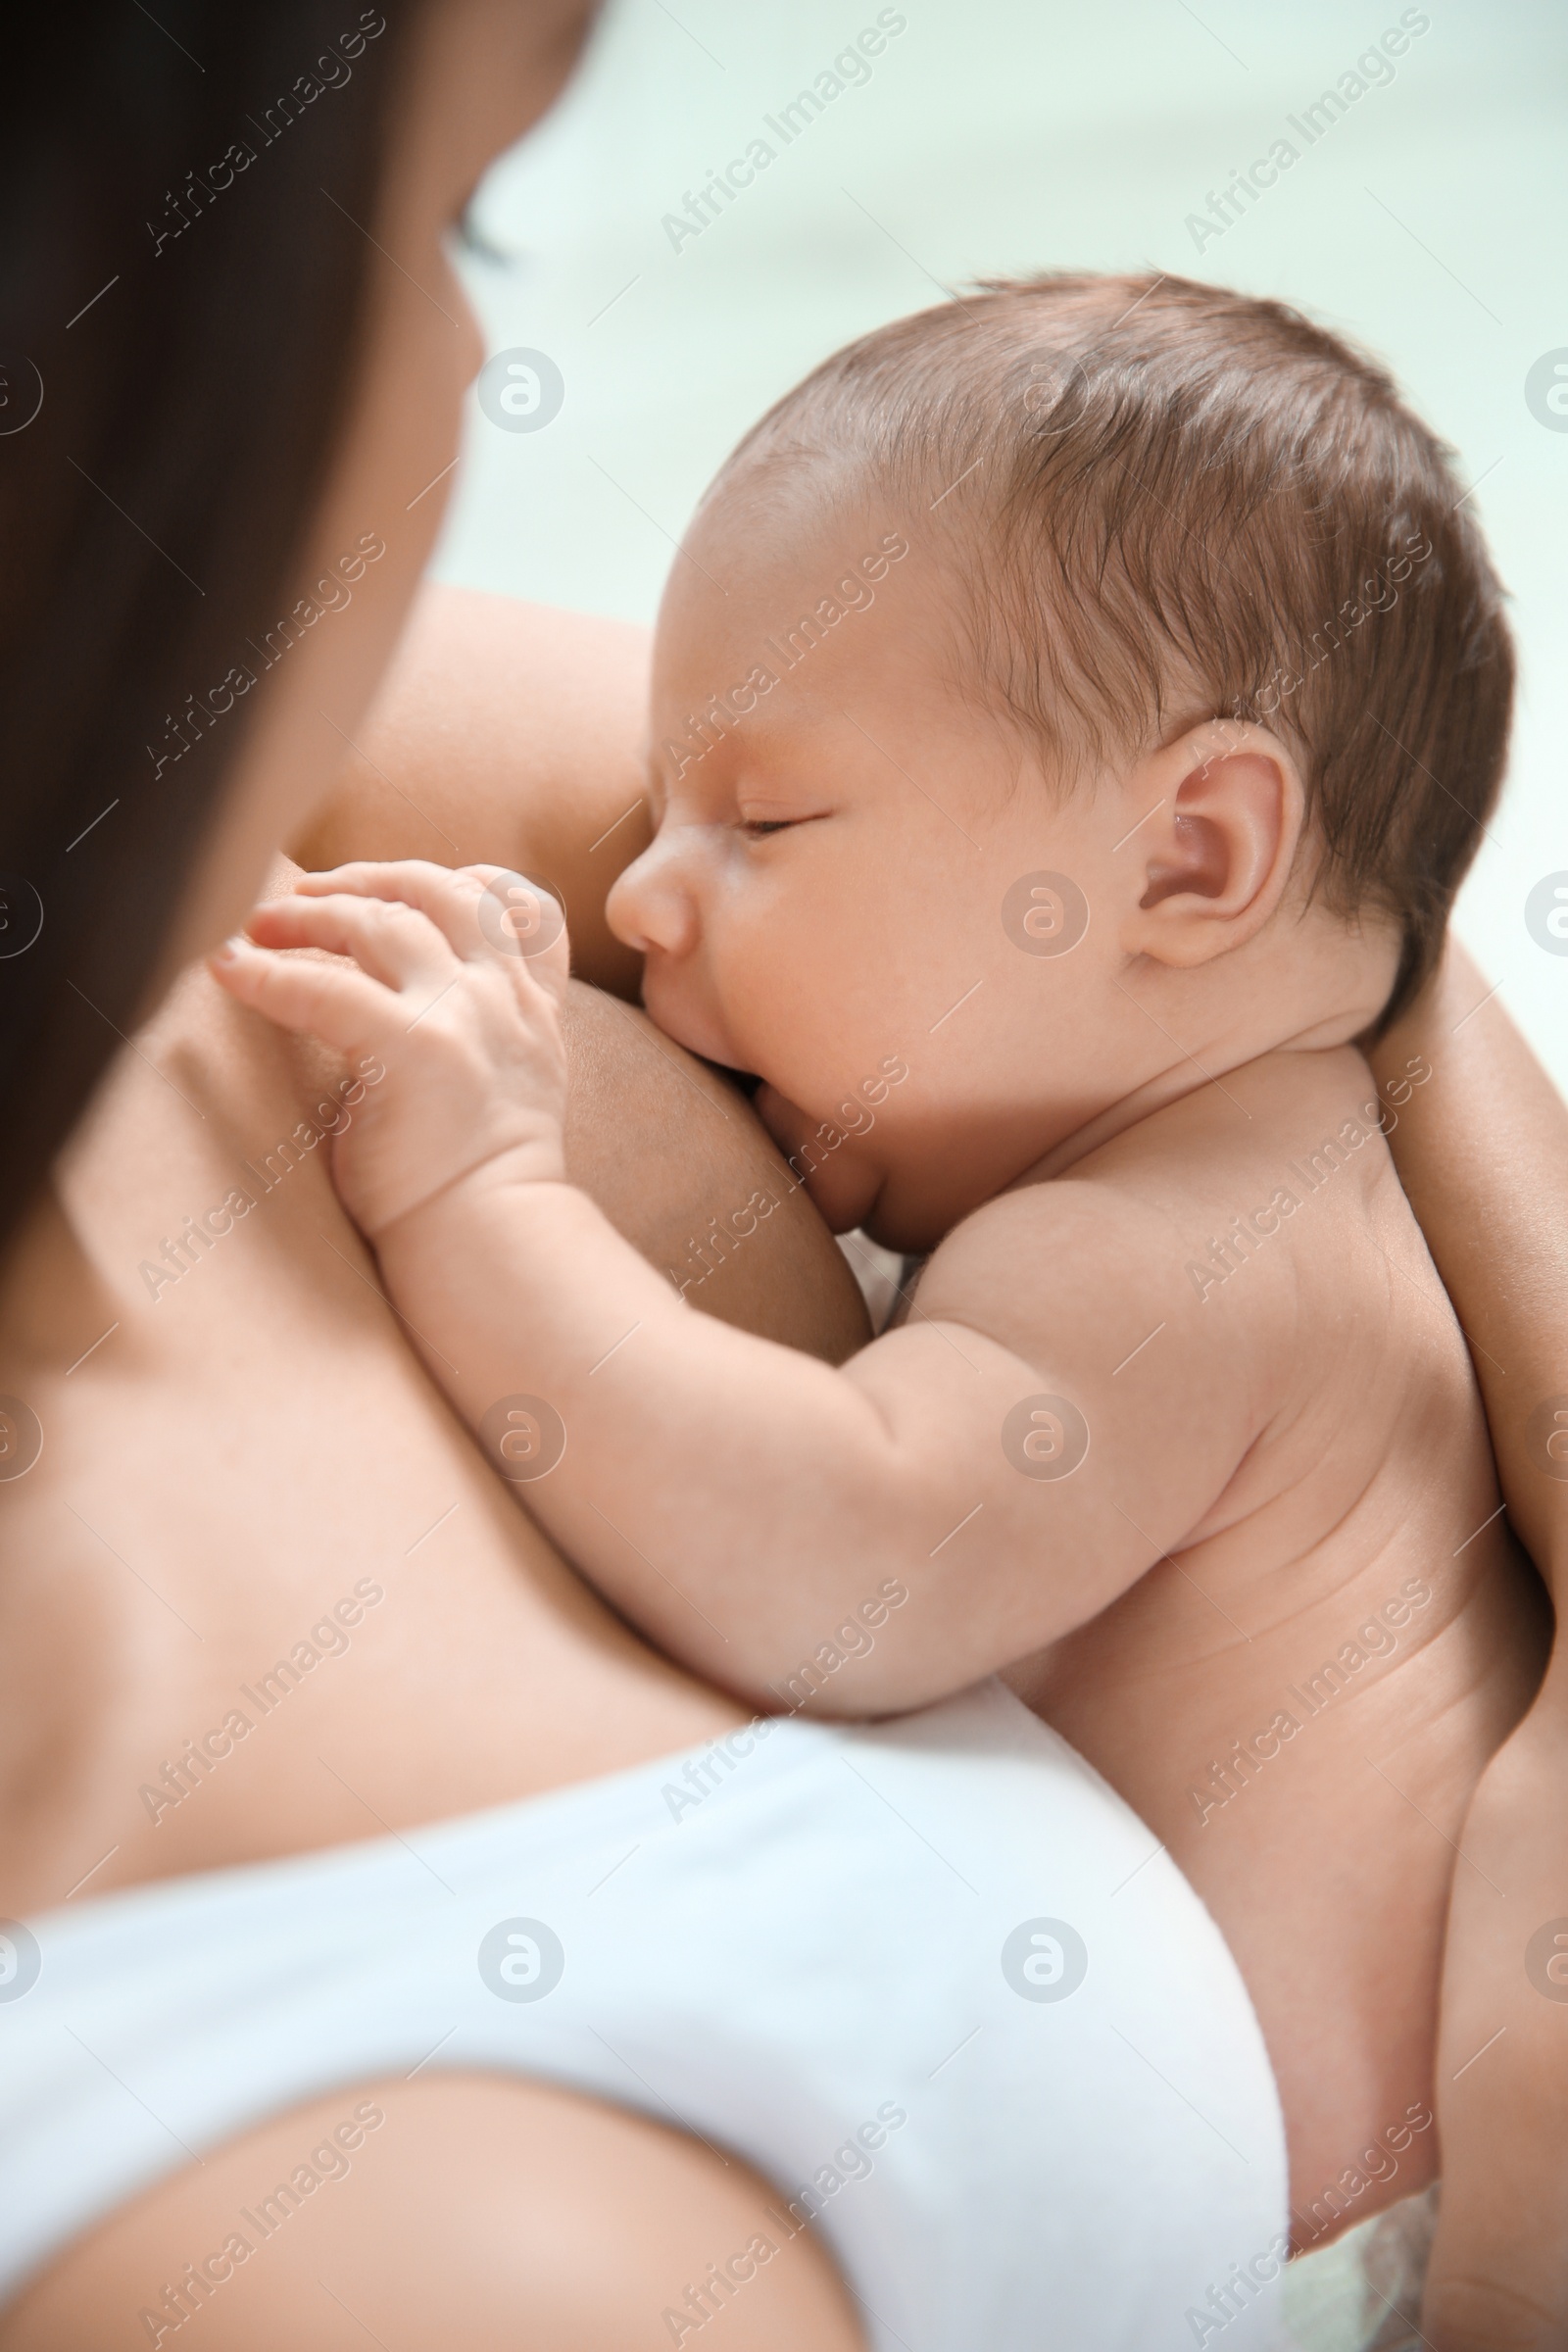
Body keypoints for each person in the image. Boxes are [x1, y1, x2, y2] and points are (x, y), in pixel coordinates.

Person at [0, 8, 1560, 2348]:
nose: (642, 894)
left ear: (1199, 854)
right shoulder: (1205, 1075)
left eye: (757, 827)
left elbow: (851, 1551)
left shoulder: (1168, 1250)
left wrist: (485, 1200)